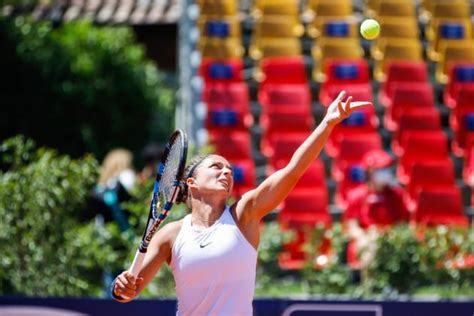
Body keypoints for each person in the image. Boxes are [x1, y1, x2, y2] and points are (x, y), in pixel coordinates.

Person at [111, 91, 371, 315]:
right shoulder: (171, 234)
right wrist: (120, 287)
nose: (226, 173)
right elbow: (129, 292)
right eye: (216, 167)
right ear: (192, 183)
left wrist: (327, 123)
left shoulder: (244, 215)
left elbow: (293, 170)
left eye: (230, 170)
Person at [343, 148, 409, 269]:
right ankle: (369, 283)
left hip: (390, 239)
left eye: (387, 168)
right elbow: (352, 226)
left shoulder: (397, 195)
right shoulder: (356, 196)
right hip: (366, 240)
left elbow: (402, 224)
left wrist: (387, 235)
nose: (385, 172)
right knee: (369, 246)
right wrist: (365, 236)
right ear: (369, 171)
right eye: (381, 169)